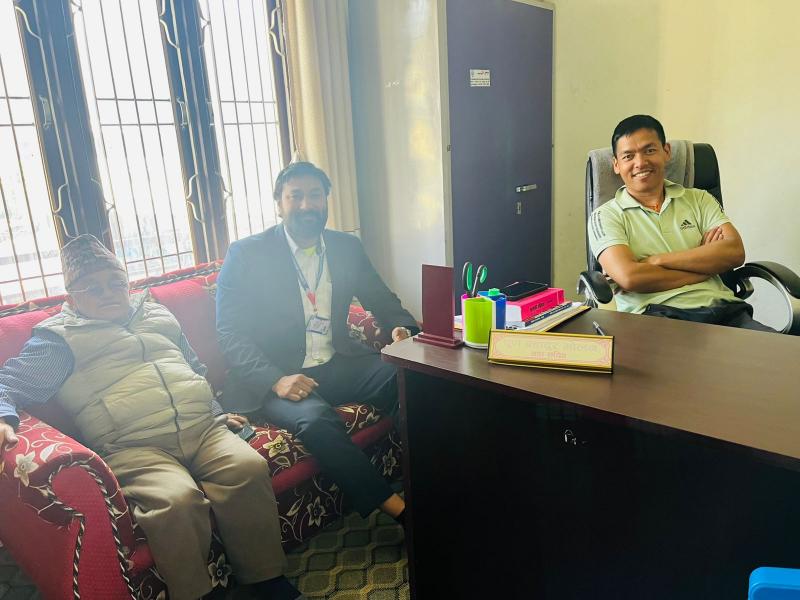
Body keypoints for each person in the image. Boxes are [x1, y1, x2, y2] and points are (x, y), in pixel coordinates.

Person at [0, 235, 303, 600]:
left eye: (115, 282)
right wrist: (3, 417)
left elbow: (192, 368)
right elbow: (7, 384)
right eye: (93, 288)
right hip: (135, 447)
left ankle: (266, 579)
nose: (108, 293)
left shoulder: (156, 313)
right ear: (72, 297)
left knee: (247, 469)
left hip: (203, 429)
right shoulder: (59, 340)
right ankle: (198, 594)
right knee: (176, 501)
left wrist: (216, 411)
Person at [216, 161, 419, 524]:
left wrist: (401, 330)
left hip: (337, 361)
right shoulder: (246, 254)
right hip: (281, 376)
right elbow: (230, 332)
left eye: (315, 195)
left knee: (407, 379)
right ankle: (401, 512)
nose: (306, 205)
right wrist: (275, 379)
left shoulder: (346, 247)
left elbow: (382, 299)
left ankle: (432, 479)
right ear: (279, 203)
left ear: (326, 200)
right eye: (295, 196)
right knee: (316, 421)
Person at [587, 114, 773, 332]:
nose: (640, 163)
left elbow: (734, 252)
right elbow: (630, 277)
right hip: (657, 318)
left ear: (666, 151)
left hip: (725, 311)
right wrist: (705, 266)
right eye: (628, 156)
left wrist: (656, 260)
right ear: (617, 165)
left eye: (649, 150)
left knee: (782, 352)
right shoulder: (605, 216)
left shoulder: (699, 199)